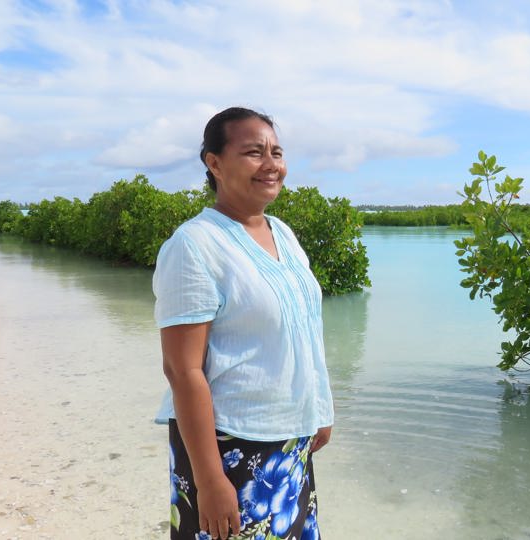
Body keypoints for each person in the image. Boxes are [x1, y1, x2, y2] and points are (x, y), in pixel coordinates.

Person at [153, 107, 334, 540]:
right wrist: (210, 480)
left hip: (288, 439)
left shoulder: (283, 234)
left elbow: (304, 331)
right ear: (214, 163)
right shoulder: (194, 245)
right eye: (254, 152)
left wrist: (320, 408)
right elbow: (183, 369)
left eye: (277, 151)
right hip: (228, 445)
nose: (271, 164)